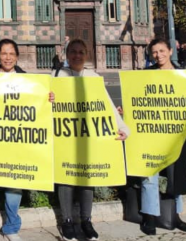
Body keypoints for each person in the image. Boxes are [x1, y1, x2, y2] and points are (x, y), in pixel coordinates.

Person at [0, 39, 54, 241]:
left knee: (15, 186)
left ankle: (11, 228)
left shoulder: (27, 80)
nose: (7, 57)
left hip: (17, 143)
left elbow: (36, 108)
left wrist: (48, 99)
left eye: (11, 54)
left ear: (17, 56)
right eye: (4, 53)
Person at [132, 38, 186, 235]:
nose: (158, 55)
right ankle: (150, 216)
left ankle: (176, 216)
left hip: (176, 135)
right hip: (151, 135)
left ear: (169, 50)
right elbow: (137, 101)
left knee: (177, 175)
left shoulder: (183, 75)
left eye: (161, 50)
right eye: (154, 52)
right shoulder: (145, 75)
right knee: (150, 176)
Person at [53, 39, 129, 241]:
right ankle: (67, 222)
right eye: (73, 52)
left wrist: (121, 126)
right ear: (67, 55)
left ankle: (86, 221)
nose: (77, 56)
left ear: (86, 55)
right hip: (65, 137)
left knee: (88, 179)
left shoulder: (94, 77)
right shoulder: (56, 76)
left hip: (88, 137)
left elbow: (106, 105)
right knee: (65, 179)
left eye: (81, 52)